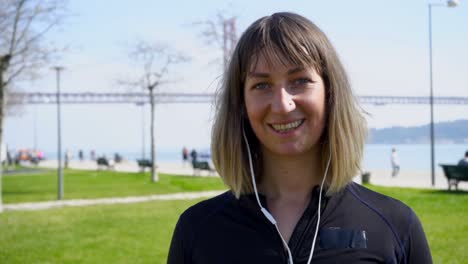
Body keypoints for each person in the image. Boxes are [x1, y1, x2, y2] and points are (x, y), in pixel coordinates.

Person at [168, 12, 432, 263]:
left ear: (331, 94)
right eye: (261, 85)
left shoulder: (394, 225)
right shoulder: (197, 231)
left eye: (300, 80)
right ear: (241, 106)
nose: (283, 105)